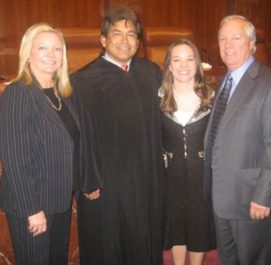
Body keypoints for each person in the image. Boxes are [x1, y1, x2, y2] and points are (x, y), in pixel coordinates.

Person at [71, 6, 163, 265]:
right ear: (103, 40)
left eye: (131, 34)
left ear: (138, 41)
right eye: (117, 34)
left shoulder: (151, 73)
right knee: (109, 244)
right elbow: (80, 136)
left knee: (144, 239)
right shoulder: (84, 81)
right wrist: (89, 180)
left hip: (146, 177)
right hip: (107, 183)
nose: (125, 40)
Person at [203, 15, 271, 265]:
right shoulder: (224, 80)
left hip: (251, 199)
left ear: (252, 43)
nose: (227, 44)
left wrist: (264, 196)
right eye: (222, 39)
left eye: (235, 38)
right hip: (222, 197)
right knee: (228, 260)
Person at [0, 23, 81, 265]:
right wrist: (31, 210)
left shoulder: (63, 94)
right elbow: (15, 158)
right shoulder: (18, 93)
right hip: (33, 206)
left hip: (60, 202)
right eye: (43, 48)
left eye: (57, 49)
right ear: (29, 53)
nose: (51, 55)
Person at [159, 39, 216, 265]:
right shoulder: (158, 97)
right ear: (169, 66)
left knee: (198, 226)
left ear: (197, 64)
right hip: (169, 177)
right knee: (176, 227)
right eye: (177, 59)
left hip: (202, 176)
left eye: (189, 59)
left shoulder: (212, 97)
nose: (184, 65)